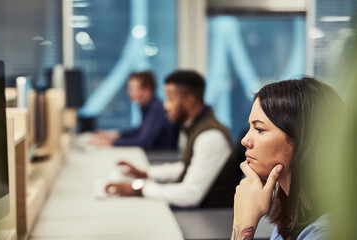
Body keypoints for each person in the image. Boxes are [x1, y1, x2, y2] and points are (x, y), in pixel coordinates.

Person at [105, 70, 241, 208]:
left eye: (170, 99)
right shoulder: (193, 127)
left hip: (208, 216)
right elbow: (187, 167)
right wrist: (145, 173)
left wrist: (138, 188)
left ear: (189, 100)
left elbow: (190, 195)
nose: (165, 106)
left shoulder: (210, 136)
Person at [231, 77, 343, 240]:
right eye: (250, 127)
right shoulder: (292, 212)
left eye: (259, 129)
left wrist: (243, 224)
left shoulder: (327, 233)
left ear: (303, 140)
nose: (245, 140)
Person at [90, 71, 179, 150]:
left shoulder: (156, 110)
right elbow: (140, 130)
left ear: (147, 90)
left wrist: (111, 143)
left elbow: (144, 142)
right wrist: (115, 135)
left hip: (161, 157)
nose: (129, 93)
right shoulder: (149, 107)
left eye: (132, 89)